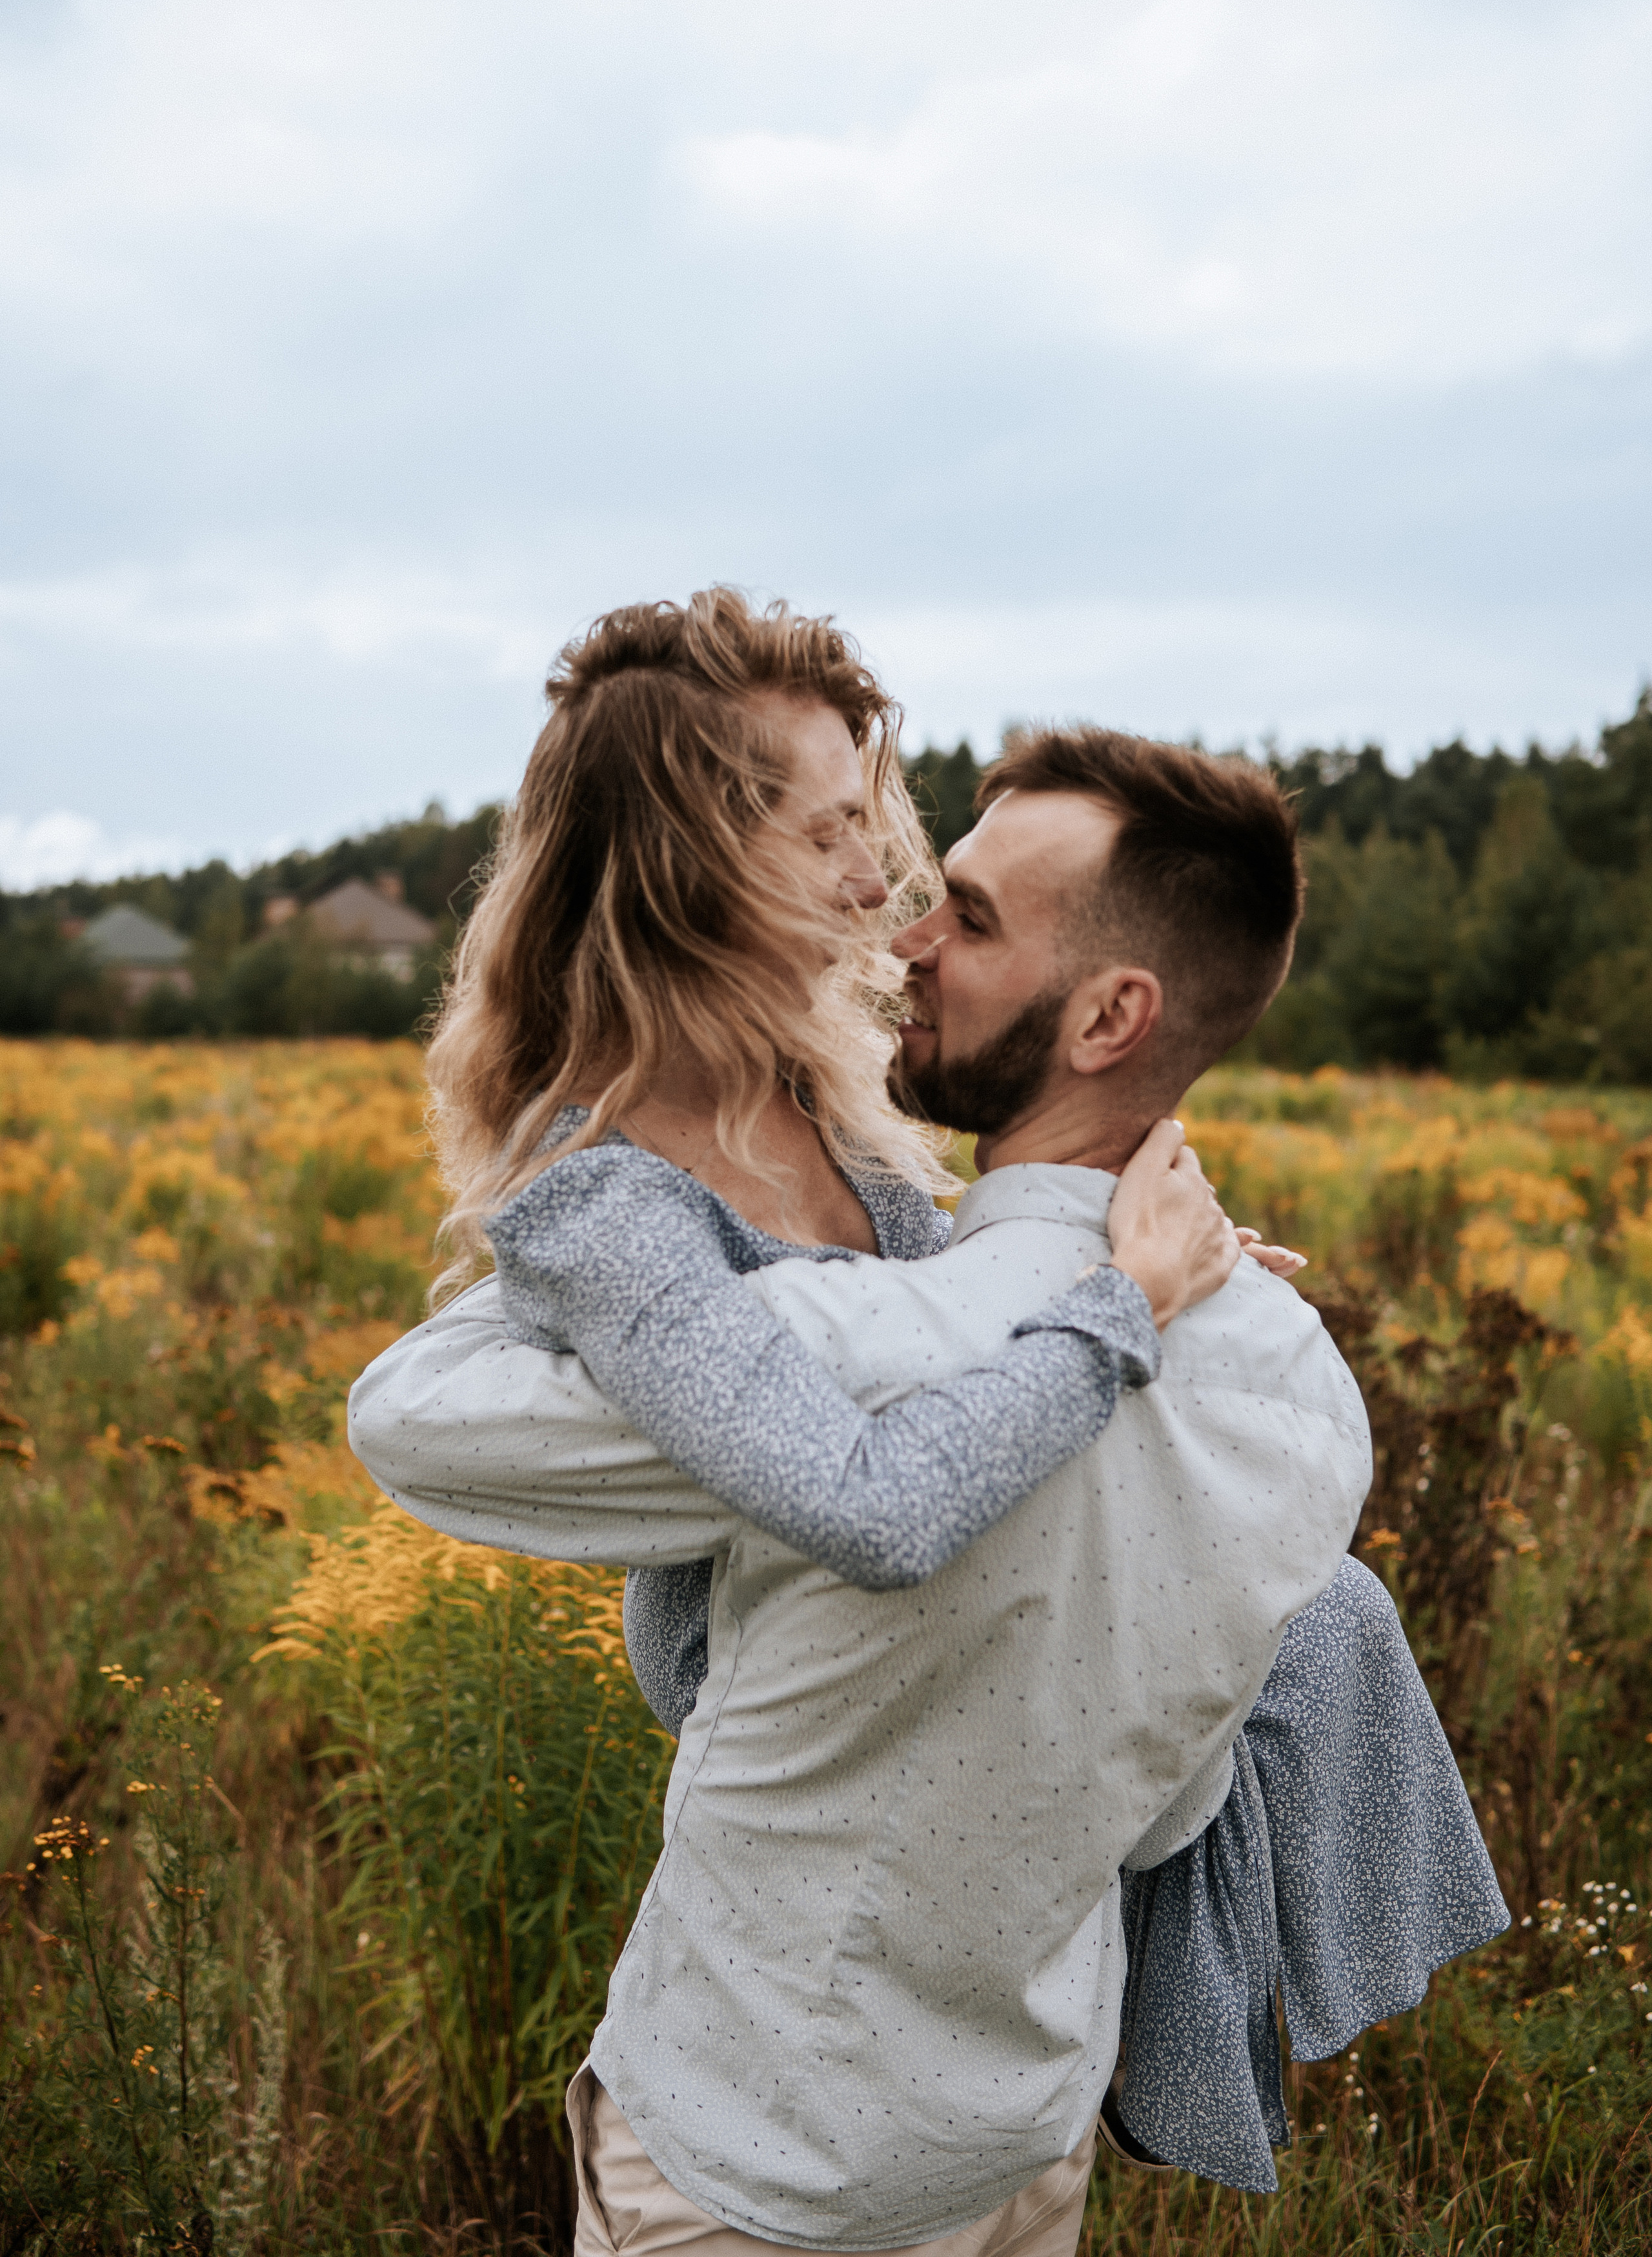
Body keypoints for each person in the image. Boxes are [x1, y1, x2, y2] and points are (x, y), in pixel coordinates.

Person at [352, 592, 1504, 2251]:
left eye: (870, 827)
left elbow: (962, 1351)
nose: (874, 884)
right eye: (830, 834)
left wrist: (1095, 1251)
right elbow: (851, 1526)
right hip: (770, 2115)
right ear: (693, 865)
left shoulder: (860, 1127)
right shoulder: (607, 1200)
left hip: (1006, 2072)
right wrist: (1119, 1308)